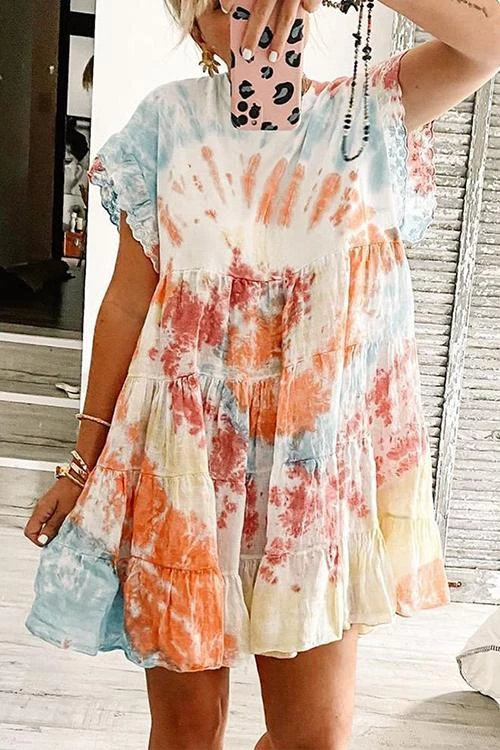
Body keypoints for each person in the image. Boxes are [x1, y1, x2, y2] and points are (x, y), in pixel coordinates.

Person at [23, 1, 500, 749]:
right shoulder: (167, 123)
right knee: (187, 733)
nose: (251, 11)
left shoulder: (365, 115)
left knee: (314, 739)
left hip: (312, 486)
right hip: (183, 472)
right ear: (198, 28)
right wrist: (82, 464)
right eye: (222, 3)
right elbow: (125, 304)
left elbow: (489, 38)